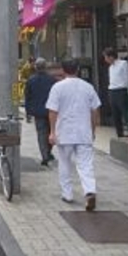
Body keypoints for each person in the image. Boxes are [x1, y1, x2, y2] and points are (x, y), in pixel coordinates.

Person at [46, 58, 101, 211]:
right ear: (78, 69)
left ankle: (67, 193)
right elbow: (95, 110)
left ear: (63, 70)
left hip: (64, 132)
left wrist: (52, 132)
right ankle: (89, 190)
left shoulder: (57, 87)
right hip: (84, 132)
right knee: (86, 164)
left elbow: (52, 111)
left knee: (65, 163)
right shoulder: (88, 87)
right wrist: (93, 130)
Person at [24, 58, 57, 166]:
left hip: (37, 111)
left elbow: (27, 97)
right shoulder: (52, 79)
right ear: (46, 67)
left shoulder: (31, 80)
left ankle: (45, 155)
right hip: (51, 110)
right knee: (51, 132)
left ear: (35, 67)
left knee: (41, 133)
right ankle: (48, 152)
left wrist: (28, 112)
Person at [103, 48, 128, 138]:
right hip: (112, 90)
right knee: (115, 114)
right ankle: (119, 133)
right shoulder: (110, 67)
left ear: (111, 57)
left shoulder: (123, 64)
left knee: (125, 112)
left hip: (121, 90)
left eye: (106, 57)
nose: (105, 60)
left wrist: (127, 89)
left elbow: (126, 78)